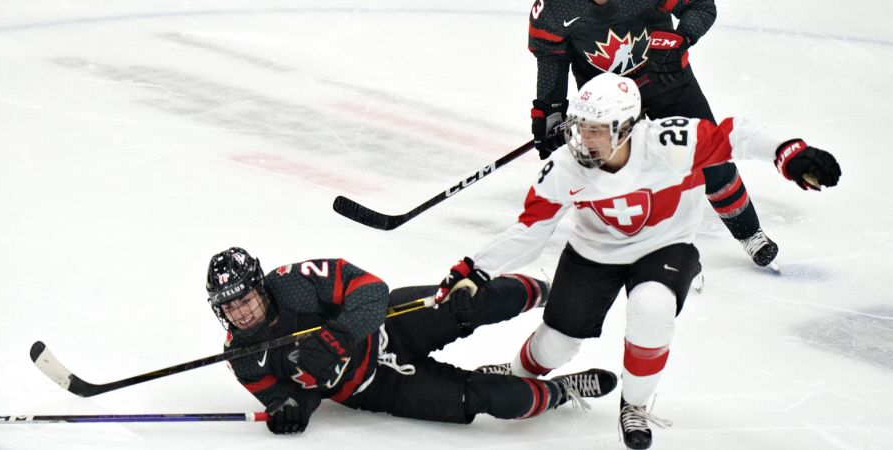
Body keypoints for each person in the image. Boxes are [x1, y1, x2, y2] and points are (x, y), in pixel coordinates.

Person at [435, 73, 841, 449]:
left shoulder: (671, 141)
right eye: (580, 126)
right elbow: (531, 230)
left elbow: (735, 134)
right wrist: (476, 268)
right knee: (557, 344)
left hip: (665, 246)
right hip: (592, 255)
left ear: (628, 127)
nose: (584, 139)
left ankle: (635, 405)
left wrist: (789, 152)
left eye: (597, 130)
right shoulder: (564, 167)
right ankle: (520, 373)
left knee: (653, 306)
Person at [204, 247, 618, 435]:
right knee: (491, 400)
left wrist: (340, 336)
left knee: (468, 302)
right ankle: (560, 390)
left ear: (259, 287)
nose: (240, 312)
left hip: (390, 324)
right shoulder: (242, 358)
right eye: (229, 306)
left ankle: (552, 289)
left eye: (244, 298)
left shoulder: (293, 283)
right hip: (381, 389)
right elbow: (287, 397)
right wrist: (288, 411)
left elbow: (371, 290)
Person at [527, 0, 781, 268]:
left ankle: (750, 233)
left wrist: (680, 38)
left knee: (710, 160)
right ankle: (659, 252)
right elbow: (552, 58)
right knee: (623, 178)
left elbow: (701, 6)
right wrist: (550, 112)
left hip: (668, 80)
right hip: (607, 103)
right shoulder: (553, 8)